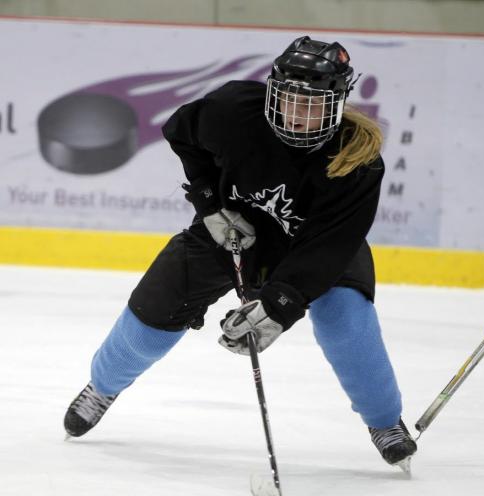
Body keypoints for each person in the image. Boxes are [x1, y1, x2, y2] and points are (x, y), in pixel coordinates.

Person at [64, 36, 417, 469]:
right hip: (231, 232)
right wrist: (210, 204)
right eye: (290, 100)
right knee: (155, 307)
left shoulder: (356, 160)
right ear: (273, 90)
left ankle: (384, 421)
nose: (299, 114)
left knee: (347, 321)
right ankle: (102, 386)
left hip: (314, 249)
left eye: (314, 104)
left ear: (338, 102)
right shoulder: (233, 110)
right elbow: (181, 133)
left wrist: (278, 305)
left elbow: (329, 247)